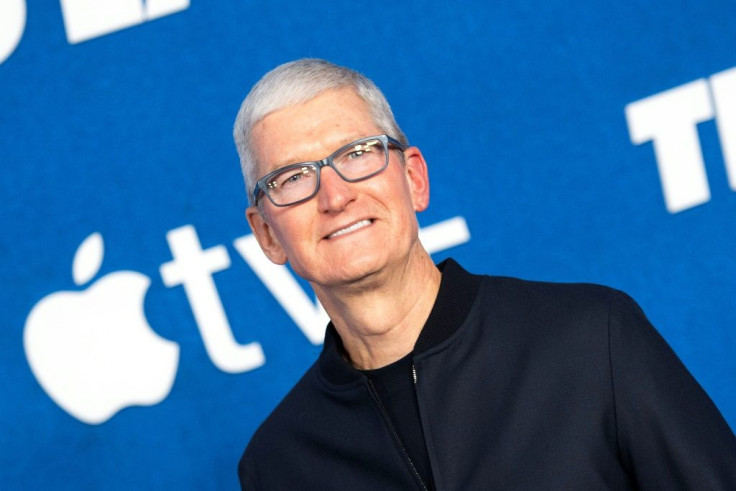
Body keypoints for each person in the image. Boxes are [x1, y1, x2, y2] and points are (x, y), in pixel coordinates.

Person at [232, 58, 736, 490]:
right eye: (293, 178)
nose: (335, 196)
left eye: (358, 154)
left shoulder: (592, 337)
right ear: (267, 235)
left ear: (413, 179)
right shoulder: (277, 463)